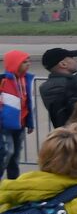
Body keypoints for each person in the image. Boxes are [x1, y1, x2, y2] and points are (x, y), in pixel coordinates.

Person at [2, 49, 36, 179]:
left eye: (28, 61)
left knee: (15, 157)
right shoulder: (4, 81)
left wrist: (30, 123)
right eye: (24, 62)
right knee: (6, 152)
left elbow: (28, 103)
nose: (28, 64)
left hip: (20, 125)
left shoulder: (27, 79)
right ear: (14, 63)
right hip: (5, 126)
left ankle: (13, 182)